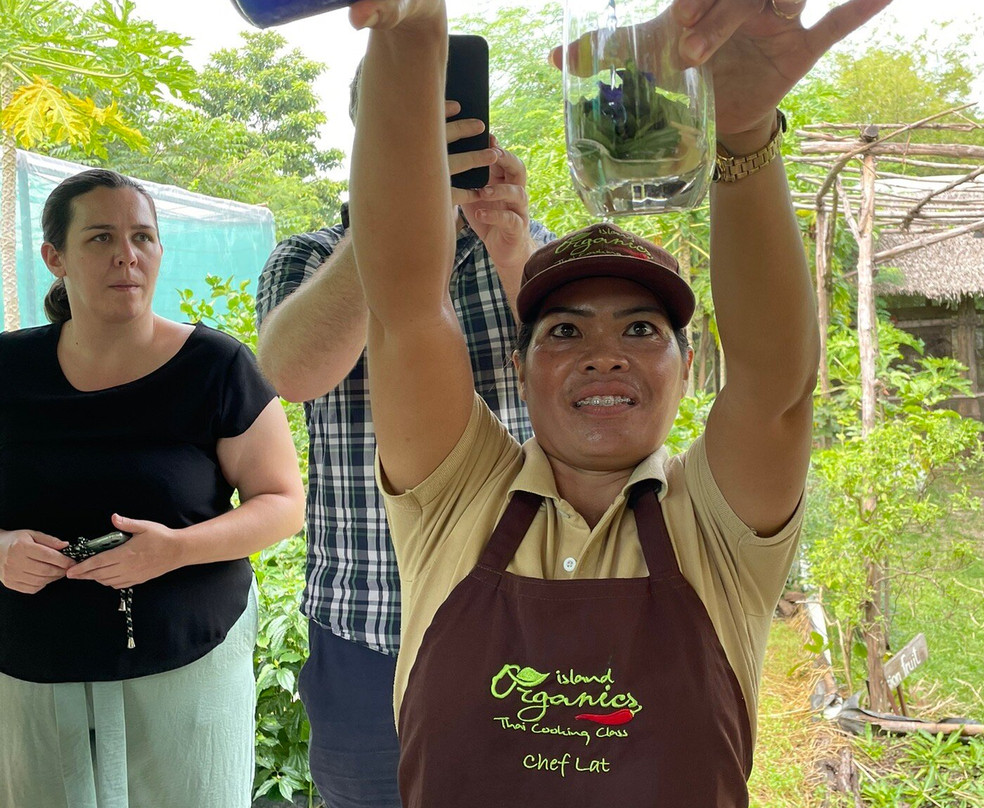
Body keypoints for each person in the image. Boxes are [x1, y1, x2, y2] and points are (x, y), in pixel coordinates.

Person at [344, 0, 890, 804]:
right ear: (521, 369)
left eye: (641, 328)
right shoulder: (454, 497)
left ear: (685, 364)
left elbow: (776, 390)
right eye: (563, 332)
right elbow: (403, 304)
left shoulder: (716, 527)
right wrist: (411, 28)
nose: (604, 353)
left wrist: (740, 132)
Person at [254, 63, 556, 807]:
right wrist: (400, 214)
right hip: (366, 631)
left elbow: (584, 384)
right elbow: (293, 371)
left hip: (525, 623)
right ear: (365, 135)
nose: (420, 143)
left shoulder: (524, 243)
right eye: (400, 127)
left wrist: (515, 253)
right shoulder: (308, 256)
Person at [0, 168, 305, 808]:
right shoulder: (7, 368)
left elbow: (281, 504)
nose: (126, 255)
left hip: (186, 656)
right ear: (54, 257)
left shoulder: (217, 366)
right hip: (28, 662)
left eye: (143, 236)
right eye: (100, 237)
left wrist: (175, 549)